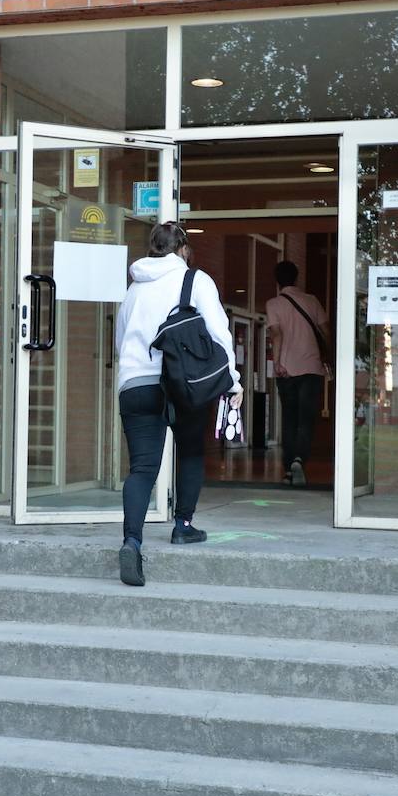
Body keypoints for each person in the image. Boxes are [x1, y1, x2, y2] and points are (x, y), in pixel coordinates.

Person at [114, 221, 241, 587]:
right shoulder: (195, 280)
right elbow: (219, 333)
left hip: (135, 384)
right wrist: (233, 381)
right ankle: (183, 525)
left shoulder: (134, 288)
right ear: (183, 249)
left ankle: (132, 542)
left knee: (141, 469)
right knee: (190, 451)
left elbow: (122, 341)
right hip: (182, 382)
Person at [265, 260, 329, 487]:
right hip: (311, 368)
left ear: (277, 280)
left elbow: (277, 334)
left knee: (289, 419)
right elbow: (325, 331)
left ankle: (288, 469)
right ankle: (300, 460)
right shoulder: (311, 301)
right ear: (296, 278)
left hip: (287, 370)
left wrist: (278, 362)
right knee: (306, 419)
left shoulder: (273, 304)